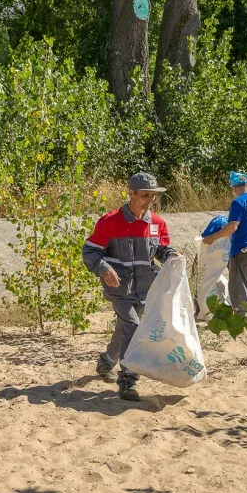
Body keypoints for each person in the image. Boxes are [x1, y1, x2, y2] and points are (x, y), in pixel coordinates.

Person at [82, 172, 178, 402]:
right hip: (119, 290)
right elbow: (90, 251)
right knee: (133, 327)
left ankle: (106, 362)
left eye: (153, 196)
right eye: (145, 195)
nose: (150, 200)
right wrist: (103, 268)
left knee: (125, 329)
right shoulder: (110, 221)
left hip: (145, 289)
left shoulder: (157, 223)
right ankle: (127, 381)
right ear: (131, 194)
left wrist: (172, 256)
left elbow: (162, 249)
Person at [202, 171, 247, 315]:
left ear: (234, 188)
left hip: (241, 249)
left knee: (238, 283)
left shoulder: (239, 202)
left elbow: (232, 227)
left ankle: (240, 315)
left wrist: (212, 238)